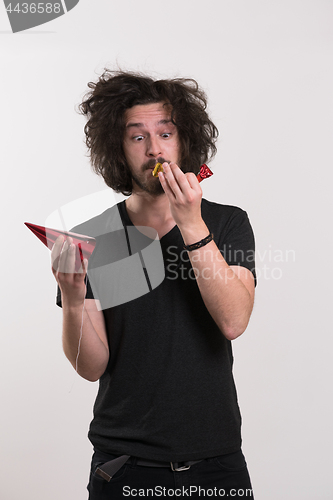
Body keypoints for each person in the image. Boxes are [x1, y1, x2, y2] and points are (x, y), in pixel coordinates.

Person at [51, 70, 256, 499]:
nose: (155, 148)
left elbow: (234, 321)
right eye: (137, 137)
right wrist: (73, 299)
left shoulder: (227, 222)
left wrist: (191, 223)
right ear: (118, 150)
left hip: (216, 463)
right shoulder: (94, 238)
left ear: (185, 141)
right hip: (123, 466)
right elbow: (90, 367)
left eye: (165, 133)